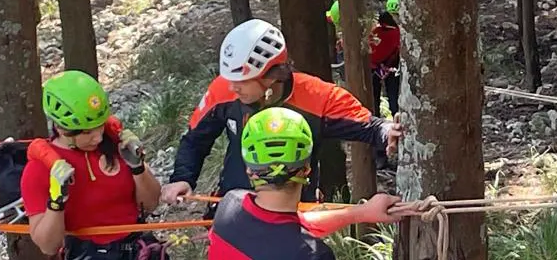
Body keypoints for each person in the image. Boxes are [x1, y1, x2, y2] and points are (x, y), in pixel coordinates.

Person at [162, 18, 402, 207]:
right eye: (230, 79)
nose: (234, 87)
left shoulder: (317, 96)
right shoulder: (224, 89)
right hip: (234, 208)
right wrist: (183, 178)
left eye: (243, 80)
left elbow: (369, 126)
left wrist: (388, 131)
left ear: (272, 75)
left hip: (295, 216)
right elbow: (195, 139)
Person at [207, 107, 404, 259]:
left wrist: (362, 213)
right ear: (307, 168)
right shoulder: (312, 254)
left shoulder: (229, 205)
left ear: (249, 169)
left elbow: (284, 227)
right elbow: (286, 230)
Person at [22, 70, 165, 259]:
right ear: (61, 128)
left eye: (100, 127)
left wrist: (137, 168)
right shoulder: (39, 169)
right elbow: (48, 246)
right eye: (88, 132)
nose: (97, 138)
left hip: (137, 248)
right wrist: (56, 202)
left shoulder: (116, 145)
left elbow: (151, 204)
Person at [327, 0, 403, 117]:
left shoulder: (378, 34)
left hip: (377, 70)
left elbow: (374, 53)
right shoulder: (383, 31)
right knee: (389, 103)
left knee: (381, 103)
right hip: (384, 69)